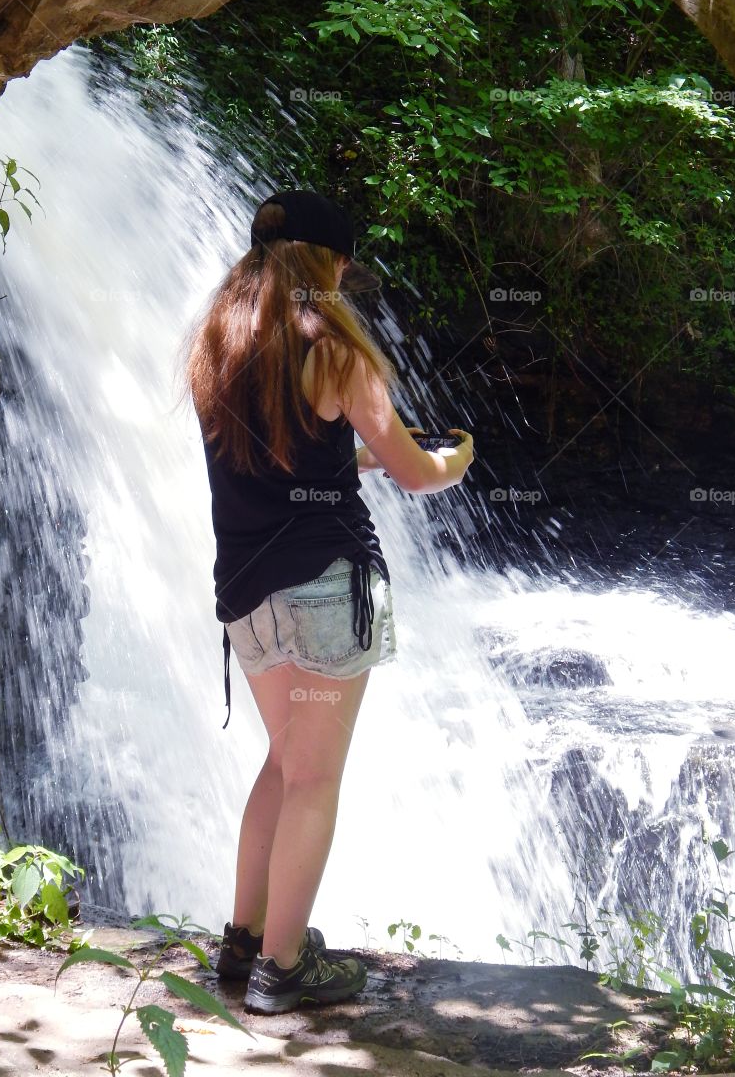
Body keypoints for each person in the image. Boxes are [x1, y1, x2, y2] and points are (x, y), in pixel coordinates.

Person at [184, 189, 474, 1014]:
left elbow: (285, 454)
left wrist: (361, 461)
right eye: (342, 266)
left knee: (282, 763)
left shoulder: (218, 343)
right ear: (327, 266)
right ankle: (285, 968)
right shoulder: (336, 349)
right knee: (314, 780)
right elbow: (420, 472)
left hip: (245, 596)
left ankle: (242, 945)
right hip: (324, 592)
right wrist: (455, 461)